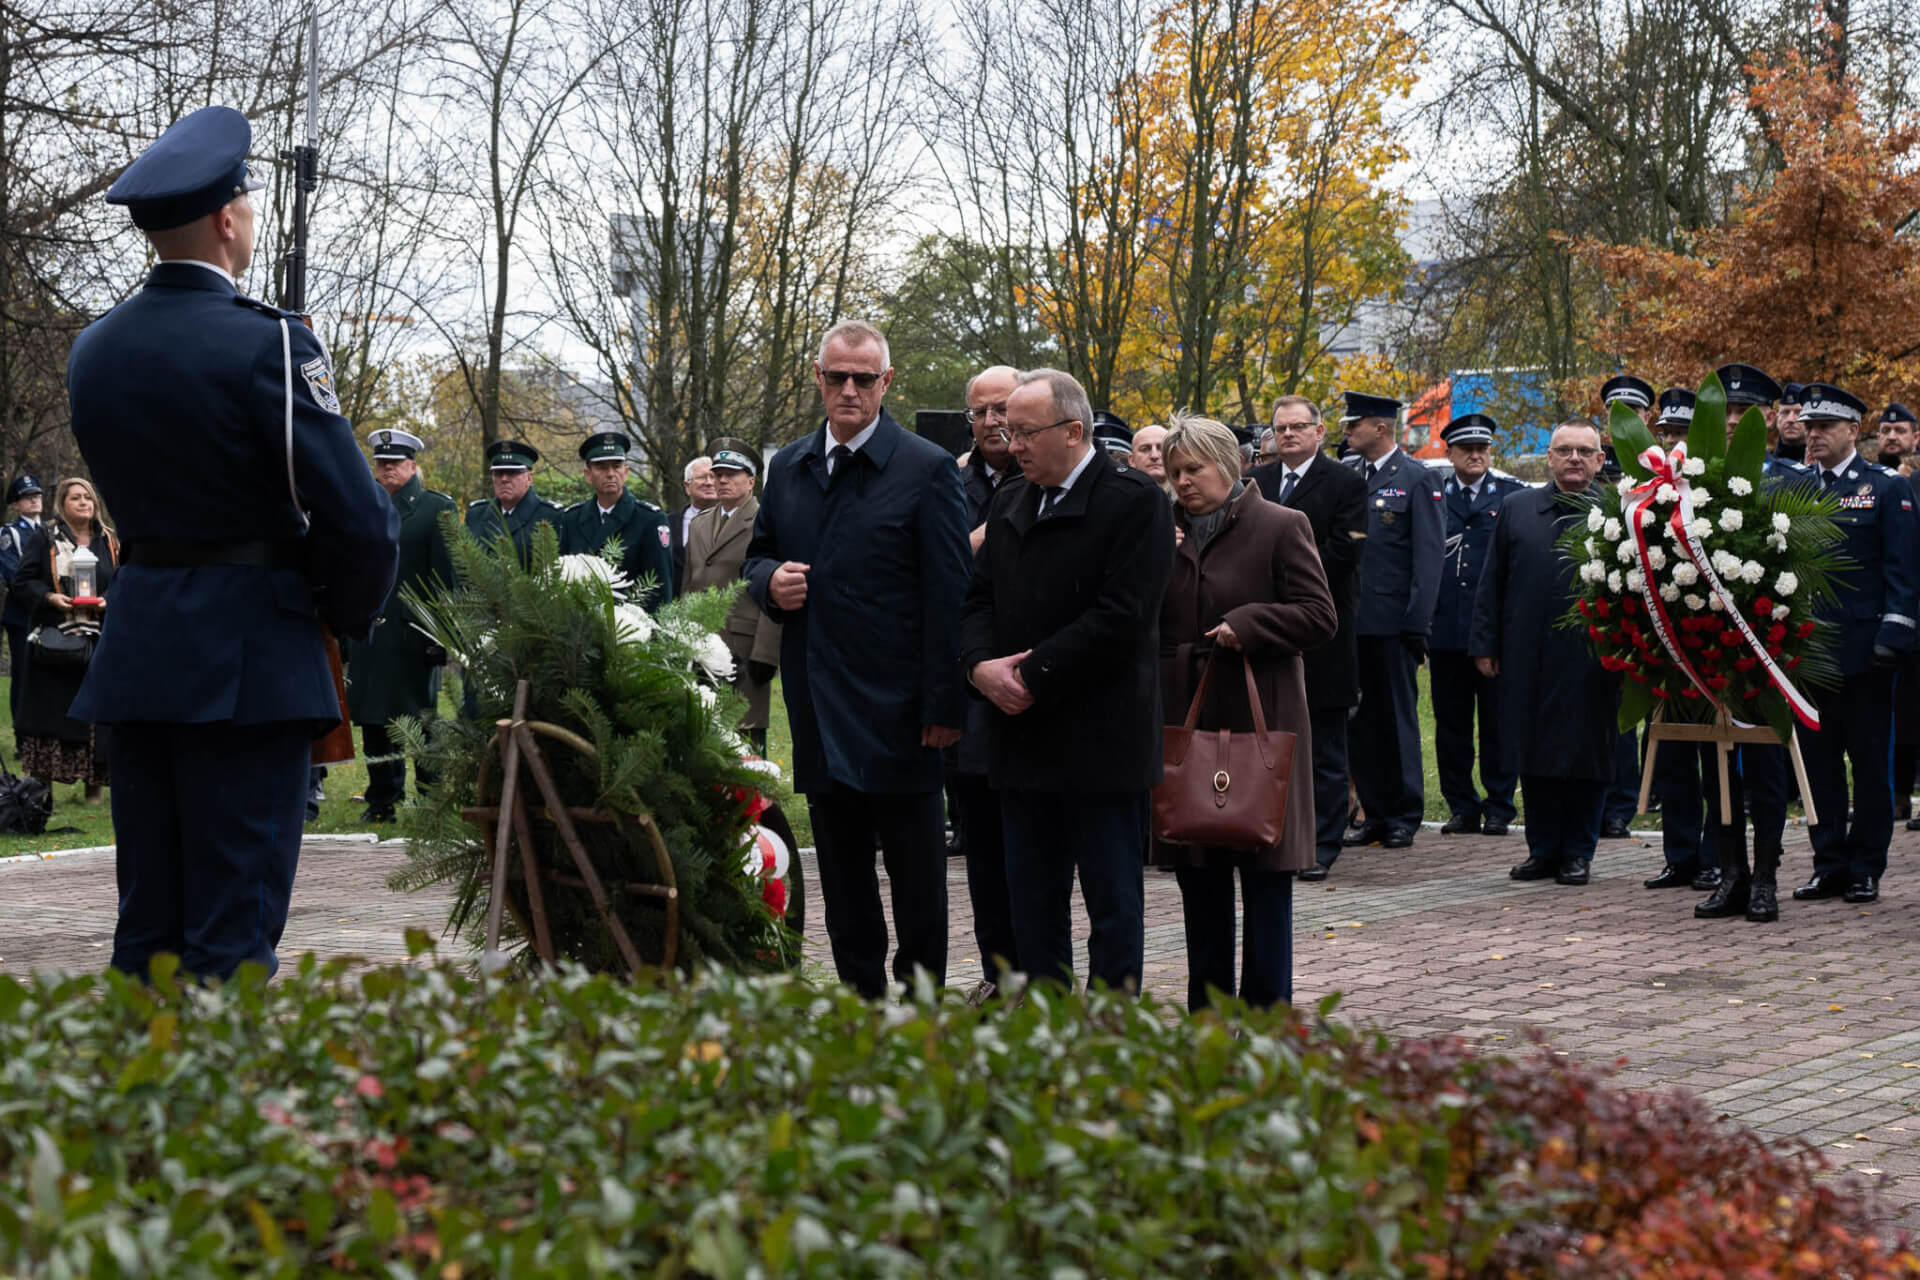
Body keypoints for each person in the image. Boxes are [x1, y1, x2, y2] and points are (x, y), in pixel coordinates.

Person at [66, 104, 399, 981]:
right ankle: (223, 1076)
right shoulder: (271, 344)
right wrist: (338, 612)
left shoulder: (94, 350)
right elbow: (361, 521)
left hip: (141, 654)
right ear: (225, 218)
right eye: (247, 204)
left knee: (148, 937)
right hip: (252, 662)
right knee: (233, 939)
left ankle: (139, 1074)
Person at [743, 319, 969, 1000]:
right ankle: (859, 998)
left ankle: (921, 1002)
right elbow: (758, 554)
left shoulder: (927, 468)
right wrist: (770, 581)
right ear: (817, 377)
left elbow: (950, 594)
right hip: (820, 702)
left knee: (917, 875)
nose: (849, 389)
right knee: (842, 872)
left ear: (886, 382)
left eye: (863, 379)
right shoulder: (789, 466)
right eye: (837, 376)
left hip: (902, 710)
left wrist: (943, 705)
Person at [960, 367, 1173, 993]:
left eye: (1025, 431)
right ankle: (1044, 1023)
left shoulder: (1134, 501)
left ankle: (1110, 1030)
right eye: (1008, 430)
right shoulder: (1011, 500)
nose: (1012, 443)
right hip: (1021, 739)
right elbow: (977, 600)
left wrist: (1029, 673)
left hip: (1103, 741)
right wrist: (979, 667)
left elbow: (1124, 614)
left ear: (1074, 431)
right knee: (1032, 904)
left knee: (1112, 903)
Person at [1151, 414, 1334, 1010]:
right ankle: (1207, 1015)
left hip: (1261, 720)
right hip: (1187, 718)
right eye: (1175, 472)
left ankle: (1265, 1017)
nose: (1183, 482)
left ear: (1228, 466)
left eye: (1194, 469)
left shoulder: (1280, 525)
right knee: (1198, 876)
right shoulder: (1160, 530)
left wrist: (1250, 624)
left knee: (1264, 879)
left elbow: (1319, 615)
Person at [1789, 382, 1919, 910]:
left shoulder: (1885, 487)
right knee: (1818, 765)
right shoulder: (1794, 487)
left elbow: (1904, 571)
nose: (1813, 434)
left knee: (1867, 765)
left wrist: (1894, 637)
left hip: (1866, 653)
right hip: (1808, 653)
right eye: (1810, 426)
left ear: (1853, 430)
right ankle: (1828, 864)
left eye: (1825, 426)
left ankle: (1865, 867)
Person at [1471, 420, 1618, 885]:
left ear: (1600, 460)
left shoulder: (1618, 513)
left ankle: (1578, 851)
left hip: (1593, 656)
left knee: (1587, 754)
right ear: (1549, 457)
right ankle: (1543, 849)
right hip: (1525, 652)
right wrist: (1485, 644)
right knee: (1532, 752)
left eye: (1585, 451)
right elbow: (1492, 581)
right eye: (1564, 450)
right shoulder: (1517, 509)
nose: (1574, 458)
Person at [1692, 363, 1798, 921]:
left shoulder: (1789, 480)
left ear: (1769, 419)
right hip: (1708, 647)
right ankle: (1730, 873)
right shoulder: (1694, 482)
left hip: (1768, 649)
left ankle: (1765, 878)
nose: (1733, 421)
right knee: (1715, 765)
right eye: (1726, 411)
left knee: (1764, 768)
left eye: (1745, 412)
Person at [1250, 394, 1367, 880]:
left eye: (1298, 426)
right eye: (1281, 428)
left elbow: (1345, 550)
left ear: (1320, 432)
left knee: (1324, 747)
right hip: (1266, 631)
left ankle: (1321, 844)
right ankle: (1270, 836)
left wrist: (1282, 571)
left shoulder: (1345, 483)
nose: (1289, 435)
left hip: (1323, 631)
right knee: (1268, 743)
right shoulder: (1257, 483)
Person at [948, 365, 1026, 989]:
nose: (992, 421)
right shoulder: (950, 480)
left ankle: (1039, 973)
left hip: (1031, 680)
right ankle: (997, 972)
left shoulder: (1047, 476)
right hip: (968, 685)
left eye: (1002, 408)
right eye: (980, 412)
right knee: (980, 844)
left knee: (1034, 845)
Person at [1339, 390, 1442, 850]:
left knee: (1397, 720)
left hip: (1393, 623)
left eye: (1354, 424)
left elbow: (1428, 558)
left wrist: (1416, 624)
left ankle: (1404, 813)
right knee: (1360, 722)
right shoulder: (1349, 476)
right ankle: (1375, 812)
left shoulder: (1417, 478)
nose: (1347, 432)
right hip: (1352, 620)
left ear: (1380, 427)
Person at [346, 429, 455, 824]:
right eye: (381, 462)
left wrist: (441, 635)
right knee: (374, 719)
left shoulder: (435, 509)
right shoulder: (363, 506)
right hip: (370, 633)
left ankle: (430, 799)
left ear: (412, 466)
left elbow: (447, 579)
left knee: (419, 719)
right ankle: (382, 801)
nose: (387, 468)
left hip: (413, 635)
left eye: (395, 462)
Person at [1641, 389, 1723, 893]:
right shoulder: (1646, 491)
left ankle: (1715, 855)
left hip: (1714, 644)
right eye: (1666, 433)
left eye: (1682, 434)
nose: (1673, 442)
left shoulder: (1722, 488)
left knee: (1717, 758)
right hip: (1665, 641)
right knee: (1672, 757)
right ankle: (1680, 856)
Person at [1425, 414, 1523, 836]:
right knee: (1452, 726)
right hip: (1446, 629)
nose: (1476, 455)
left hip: (1494, 633)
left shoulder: (1512, 496)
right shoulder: (1435, 495)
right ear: (1450, 453)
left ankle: (1500, 805)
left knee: (1499, 724)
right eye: (1466, 449)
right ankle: (1462, 806)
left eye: (1482, 448)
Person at [11, 478, 117, 804]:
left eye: (88, 497)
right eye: (75, 498)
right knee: (51, 716)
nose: (84, 502)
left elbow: (124, 580)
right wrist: (49, 598)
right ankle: (41, 792)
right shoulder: (45, 538)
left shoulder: (109, 540)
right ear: (62, 504)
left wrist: (109, 599)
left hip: (99, 640)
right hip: (56, 641)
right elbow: (23, 581)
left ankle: (93, 791)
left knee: (95, 718)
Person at [682, 436, 779, 753]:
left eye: (732, 474)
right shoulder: (699, 524)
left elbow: (774, 591)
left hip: (744, 652)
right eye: (718, 474)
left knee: (745, 744)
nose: (722, 480)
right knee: (702, 739)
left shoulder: (766, 522)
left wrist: (766, 654)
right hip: (701, 647)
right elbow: (689, 585)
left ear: (751, 481)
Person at [558, 431, 674, 609]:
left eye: (617, 466)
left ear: (626, 472)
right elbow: (561, 577)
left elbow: (660, 587)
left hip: (631, 621)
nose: (611, 474)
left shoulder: (650, 519)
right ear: (588, 474)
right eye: (602, 467)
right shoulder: (572, 518)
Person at [464, 440, 563, 565]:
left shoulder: (551, 517)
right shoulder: (476, 515)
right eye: (498, 473)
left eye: (512, 472)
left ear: (529, 478)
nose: (504, 479)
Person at [0, 473, 43, 727]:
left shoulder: (53, 530)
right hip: (22, 615)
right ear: (16, 504)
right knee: (24, 675)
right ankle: (22, 732)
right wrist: (46, 595)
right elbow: (14, 575)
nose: (34, 500)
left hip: (50, 614)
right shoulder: (10, 534)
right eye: (27, 497)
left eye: (37, 495)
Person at [670, 456, 716, 593]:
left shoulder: (737, 523)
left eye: (713, 477)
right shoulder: (666, 524)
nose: (709, 483)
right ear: (687, 486)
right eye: (702, 477)